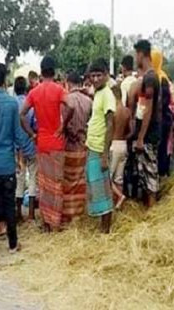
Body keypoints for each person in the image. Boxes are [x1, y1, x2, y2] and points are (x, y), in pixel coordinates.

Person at [0, 63, 33, 254]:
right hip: (8, 164)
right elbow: (18, 136)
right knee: (9, 205)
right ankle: (12, 244)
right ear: (5, 80)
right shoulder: (12, 104)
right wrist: (21, 158)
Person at [20, 56, 72, 232]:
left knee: (44, 184)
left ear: (41, 72)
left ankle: (45, 223)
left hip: (41, 142)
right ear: (54, 71)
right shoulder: (59, 90)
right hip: (56, 143)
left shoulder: (34, 92)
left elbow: (22, 114)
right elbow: (70, 106)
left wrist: (32, 134)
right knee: (57, 184)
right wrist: (63, 126)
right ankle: (56, 223)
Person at [85, 59, 116, 233]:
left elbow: (110, 124)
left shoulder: (107, 95)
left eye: (99, 75)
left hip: (99, 149)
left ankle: (106, 230)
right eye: (93, 75)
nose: (95, 79)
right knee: (96, 188)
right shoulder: (98, 93)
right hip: (93, 146)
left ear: (105, 76)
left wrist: (104, 155)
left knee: (103, 190)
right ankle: (102, 227)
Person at [132, 40, 160, 207]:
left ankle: (152, 209)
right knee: (146, 172)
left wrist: (141, 137)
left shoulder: (150, 78)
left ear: (141, 54)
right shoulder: (150, 76)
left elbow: (148, 109)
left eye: (136, 54)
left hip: (149, 134)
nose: (136, 58)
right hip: (147, 132)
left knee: (150, 173)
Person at [63, 72, 92, 221]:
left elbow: (63, 124)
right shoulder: (89, 101)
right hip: (83, 144)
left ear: (68, 83)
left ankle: (68, 214)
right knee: (80, 181)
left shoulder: (66, 100)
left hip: (68, 146)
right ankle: (79, 214)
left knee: (67, 181)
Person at [13, 76, 37, 222]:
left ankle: (18, 213)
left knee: (19, 177)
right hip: (31, 144)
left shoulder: (11, 104)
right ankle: (32, 214)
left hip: (17, 147)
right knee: (33, 177)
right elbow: (35, 125)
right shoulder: (31, 105)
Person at [152, 50, 174, 178]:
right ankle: (163, 174)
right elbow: (173, 102)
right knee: (164, 149)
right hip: (167, 119)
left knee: (157, 150)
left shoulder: (152, 78)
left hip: (156, 120)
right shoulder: (165, 77)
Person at [110, 85, 131, 209]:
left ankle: (119, 197)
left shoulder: (112, 111)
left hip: (113, 144)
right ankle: (119, 206)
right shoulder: (127, 111)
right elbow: (131, 130)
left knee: (107, 178)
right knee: (119, 178)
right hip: (123, 145)